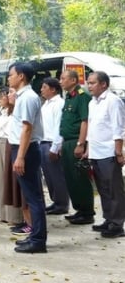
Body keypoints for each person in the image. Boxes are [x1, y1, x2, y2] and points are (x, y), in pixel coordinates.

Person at [7, 62, 47, 253]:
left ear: (21, 76)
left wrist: (20, 156)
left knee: (34, 197)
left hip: (27, 150)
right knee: (30, 196)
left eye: (11, 75)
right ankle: (34, 235)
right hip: (22, 148)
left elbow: (27, 128)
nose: (9, 78)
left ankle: (38, 240)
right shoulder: (21, 97)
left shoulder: (28, 97)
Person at [85, 71, 125, 238]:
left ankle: (117, 224)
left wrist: (119, 151)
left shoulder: (113, 101)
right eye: (88, 82)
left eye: (92, 83)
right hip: (95, 151)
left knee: (114, 189)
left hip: (109, 152)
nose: (89, 86)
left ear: (104, 84)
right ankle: (108, 219)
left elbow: (118, 127)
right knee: (103, 189)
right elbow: (92, 127)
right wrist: (88, 148)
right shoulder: (92, 103)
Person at [59, 69, 95, 225]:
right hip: (67, 141)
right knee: (70, 177)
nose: (60, 81)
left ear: (73, 80)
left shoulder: (82, 97)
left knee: (79, 177)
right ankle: (79, 209)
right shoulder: (68, 97)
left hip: (76, 141)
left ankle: (87, 212)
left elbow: (84, 121)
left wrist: (81, 143)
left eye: (63, 78)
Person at [39, 77, 69, 215]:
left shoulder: (59, 103)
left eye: (44, 87)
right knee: (48, 175)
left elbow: (59, 126)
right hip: (43, 142)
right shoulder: (45, 104)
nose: (41, 90)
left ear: (53, 89)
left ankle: (62, 204)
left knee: (57, 175)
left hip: (52, 143)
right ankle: (55, 201)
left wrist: (55, 147)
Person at [0, 87, 24, 225]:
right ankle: (4, 214)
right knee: (2, 180)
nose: (1, 99)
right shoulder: (2, 112)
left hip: (11, 143)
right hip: (1, 143)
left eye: (4, 96)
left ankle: (16, 217)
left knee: (12, 181)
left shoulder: (16, 112)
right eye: (0, 96)